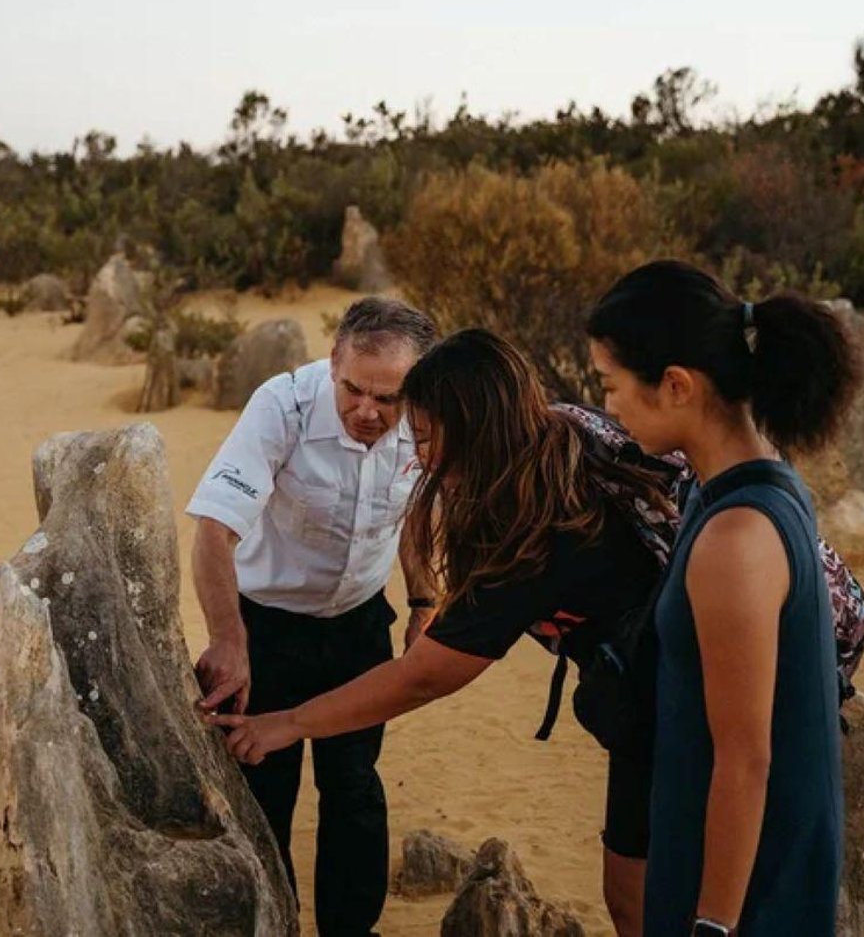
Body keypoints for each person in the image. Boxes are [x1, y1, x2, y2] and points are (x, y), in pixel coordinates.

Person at [207, 327, 677, 936]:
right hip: (649, 699)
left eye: (424, 437)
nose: (419, 456)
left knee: (656, 901)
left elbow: (425, 676)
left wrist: (288, 722)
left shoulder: (535, 537)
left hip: (682, 705)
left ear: (473, 430)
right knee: (634, 893)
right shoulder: (558, 440)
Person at [586, 260, 858, 936]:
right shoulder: (747, 491)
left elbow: (746, 757)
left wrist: (713, 925)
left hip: (748, 897)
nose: (608, 406)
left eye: (611, 385)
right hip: (730, 869)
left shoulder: (736, 538)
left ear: (676, 385)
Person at [186, 297, 439, 937]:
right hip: (265, 628)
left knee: (354, 789)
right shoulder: (282, 406)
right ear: (334, 362)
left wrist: (424, 600)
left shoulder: (428, 415)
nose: (368, 411)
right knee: (265, 793)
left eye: (388, 399)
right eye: (354, 390)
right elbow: (215, 530)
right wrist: (227, 638)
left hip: (359, 626)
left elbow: (415, 508)